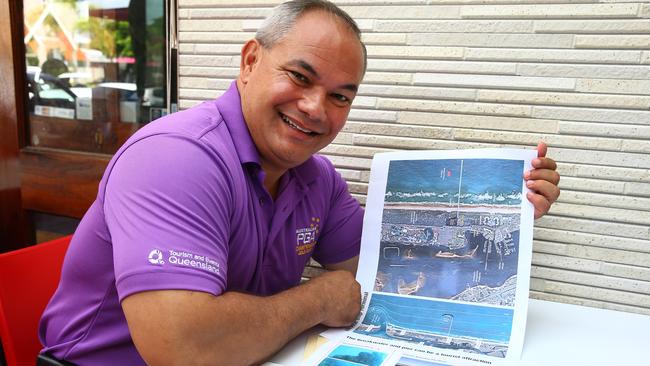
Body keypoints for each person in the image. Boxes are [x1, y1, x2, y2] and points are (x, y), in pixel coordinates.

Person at [38, 1, 561, 365]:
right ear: (250, 62)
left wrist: (499, 215)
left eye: (340, 96)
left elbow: (388, 270)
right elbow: (184, 350)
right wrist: (316, 300)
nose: (315, 109)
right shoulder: (174, 159)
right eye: (301, 77)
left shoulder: (315, 179)